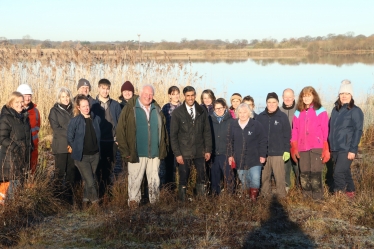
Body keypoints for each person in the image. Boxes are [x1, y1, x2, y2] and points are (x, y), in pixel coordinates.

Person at [116, 85, 168, 208]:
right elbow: (120, 131)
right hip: (136, 152)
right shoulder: (130, 108)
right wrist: (125, 150)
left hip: (154, 153)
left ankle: (154, 204)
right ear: (140, 93)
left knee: (154, 180)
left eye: (150, 94)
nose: (148, 96)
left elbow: (164, 130)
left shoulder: (157, 109)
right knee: (135, 179)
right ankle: (134, 204)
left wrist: (163, 148)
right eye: (146, 94)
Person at [170, 86, 212, 201]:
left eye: (192, 95)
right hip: (184, 152)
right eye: (188, 95)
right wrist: (177, 153)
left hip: (200, 151)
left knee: (202, 176)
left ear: (195, 95)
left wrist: (208, 150)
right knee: (183, 178)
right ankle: (182, 204)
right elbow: (173, 135)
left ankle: (201, 201)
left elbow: (207, 132)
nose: (190, 98)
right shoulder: (177, 113)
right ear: (184, 96)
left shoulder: (202, 111)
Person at [291, 86, 330, 200]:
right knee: (304, 172)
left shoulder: (320, 110)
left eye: (309, 95)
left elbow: (325, 129)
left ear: (314, 96)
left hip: (316, 146)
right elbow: (295, 130)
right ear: (301, 98)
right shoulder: (298, 112)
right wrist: (294, 145)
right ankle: (307, 197)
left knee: (315, 172)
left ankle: (318, 198)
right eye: (304, 96)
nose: (306, 98)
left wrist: (325, 146)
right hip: (302, 147)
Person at [328, 80, 363, 198]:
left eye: (347, 93)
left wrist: (353, 149)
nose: (344, 96)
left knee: (338, 173)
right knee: (345, 171)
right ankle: (350, 192)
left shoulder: (355, 111)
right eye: (342, 93)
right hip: (335, 147)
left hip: (346, 147)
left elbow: (358, 131)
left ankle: (340, 197)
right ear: (339, 95)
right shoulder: (335, 110)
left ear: (351, 95)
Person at [67, 95, 101, 208]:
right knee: (91, 181)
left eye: (87, 105)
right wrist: (76, 148)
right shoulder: (75, 121)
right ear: (78, 107)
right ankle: (96, 204)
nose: (86, 108)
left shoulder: (96, 119)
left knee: (88, 180)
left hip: (95, 155)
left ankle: (85, 202)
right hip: (82, 157)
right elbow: (70, 137)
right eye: (83, 106)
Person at [228, 103, 267, 201]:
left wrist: (262, 155)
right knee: (244, 182)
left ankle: (253, 201)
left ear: (249, 113)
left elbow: (263, 140)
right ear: (237, 113)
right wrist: (230, 155)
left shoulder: (256, 125)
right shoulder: (233, 125)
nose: (242, 114)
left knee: (255, 180)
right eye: (240, 112)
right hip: (239, 159)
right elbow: (229, 142)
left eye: (245, 112)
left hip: (255, 158)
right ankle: (246, 202)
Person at [257, 92, 291, 198]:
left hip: (278, 153)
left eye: (274, 102)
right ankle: (265, 199)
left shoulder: (282, 117)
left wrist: (286, 150)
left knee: (279, 178)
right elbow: (256, 135)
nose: (271, 104)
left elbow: (287, 135)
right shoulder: (260, 117)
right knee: (264, 178)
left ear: (277, 103)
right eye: (269, 102)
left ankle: (281, 198)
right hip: (263, 153)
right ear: (266, 103)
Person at [0, 92, 32, 204]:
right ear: (11, 103)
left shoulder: (24, 117)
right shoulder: (6, 118)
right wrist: (16, 148)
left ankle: (16, 214)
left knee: (18, 191)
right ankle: (7, 217)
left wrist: (29, 149)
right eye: (17, 102)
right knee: (7, 193)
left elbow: (28, 137)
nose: (20, 104)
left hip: (22, 158)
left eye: (21, 101)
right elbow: (2, 138)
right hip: (10, 159)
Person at [92, 79, 122, 197]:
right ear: (99, 88)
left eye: (107, 88)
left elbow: (119, 123)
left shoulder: (115, 105)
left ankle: (107, 194)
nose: (105, 91)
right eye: (103, 88)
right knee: (98, 167)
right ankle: (98, 193)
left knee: (109, 168)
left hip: (112, 141)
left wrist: (118, 139)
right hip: (98, 141)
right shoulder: (93, 104)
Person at [48, 87, 76, 202]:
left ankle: (69, 199)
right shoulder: (54, 111)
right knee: (59, 173)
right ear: (59, 98)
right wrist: (71, 134)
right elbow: (56, 129)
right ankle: (57, 197)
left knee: (71, 173)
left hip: (73, 146)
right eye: (63, 97)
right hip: (61, 146)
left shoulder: (74, 109)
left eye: (67, 96)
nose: (65, 99)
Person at [209, 98, 234, 195]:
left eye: (221, 108)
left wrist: (231, 154)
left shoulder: (231, 121)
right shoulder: (209, 119)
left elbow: (233, 139)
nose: (219, 110)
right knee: (215, 179)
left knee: (229, 178)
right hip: (214, 153)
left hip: (226, 154)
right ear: (213, 109)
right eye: (216, 108)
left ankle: (230, 199)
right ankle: (215, 199)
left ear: (225, 108)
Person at [279, 88, 300, 192]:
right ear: (282, 97)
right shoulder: (278, 111)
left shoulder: (299, 109)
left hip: (297, 144)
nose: (287, 99)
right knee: (285, 169)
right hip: (283, 145)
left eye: (290, 97)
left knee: (298, 168)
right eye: (285, 97)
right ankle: (286, 189)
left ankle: (299, 189)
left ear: (294, 97)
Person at [16, 84, 40, 175]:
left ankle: (31, 187)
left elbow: (38, 126)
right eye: (25, 95)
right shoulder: (14, 110)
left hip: (33, 145)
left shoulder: (35, 111)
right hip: (19, 146)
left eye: (29, 95)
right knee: (18, 170)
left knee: (32, 168)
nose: (28, 98)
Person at [161, 86, 181, 186]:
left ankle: (182, 188)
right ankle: (169, 188)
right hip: (169, 140)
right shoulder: (165, 107)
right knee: (169, 166)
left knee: (181, 167)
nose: (176, 96)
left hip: (181, 141)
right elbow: (162, 124)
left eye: (177, 93)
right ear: (169, 95)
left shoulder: (183, 106)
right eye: (173, 94)